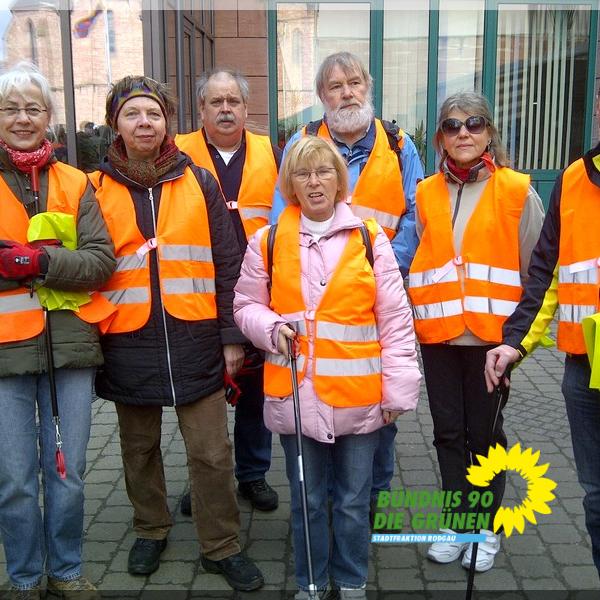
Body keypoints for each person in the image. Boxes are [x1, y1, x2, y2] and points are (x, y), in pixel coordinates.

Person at [91, 75, 264, 591]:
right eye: (132, 114)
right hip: (128, 337)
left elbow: (228, 262)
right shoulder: (93, 187)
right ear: (115, 124)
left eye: (153, 114)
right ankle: (151, 527)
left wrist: (233, 335)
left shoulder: (198, 180)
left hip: (195, 337)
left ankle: (221, 544)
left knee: (211, 452)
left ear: (168, 122)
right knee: (138, 448)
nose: (144, 122)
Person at [235, 136, 421, 599]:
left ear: (340, 180)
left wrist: (398, 393)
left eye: (324, 172)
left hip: (360, 398)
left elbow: (394, 321)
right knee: (308, 500)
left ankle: (352, 580)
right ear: (290, 184)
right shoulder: (268, 240)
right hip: (296, 398)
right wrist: (269, 326)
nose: (314, 182)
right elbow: (245, 306)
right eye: (303, 173)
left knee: (355, 502)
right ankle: (312, 583)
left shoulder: (369, 238)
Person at [271, 51, 424, 515]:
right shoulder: (301, 142)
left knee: (379, 406)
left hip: (380, 299)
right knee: (316, 396)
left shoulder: (400, 145)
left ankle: (370, 503)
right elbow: (283, 224)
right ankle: (327, 503)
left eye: (354, 83)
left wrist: (380, 271)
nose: (347, 92)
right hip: (315, 302)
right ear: (322, 96)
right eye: (335, 86)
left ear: (368, 87)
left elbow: (416, 217)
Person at [408, 91, 544, 572]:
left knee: (484, 436)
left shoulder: (516, 190)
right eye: (451, 125)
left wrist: (517, 342)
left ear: (489, 132)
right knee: (447, 432)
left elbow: (538, 276)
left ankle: (484, 528)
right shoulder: (425, 192)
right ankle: (456, 521)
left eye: (474, 123)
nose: (463, 132)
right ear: (441, 137)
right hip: (440, 338)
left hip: (492, 343)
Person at [0, 63, 115, 599]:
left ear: (50, 117)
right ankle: (24, 578)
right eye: (10, 108)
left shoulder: (75, 183)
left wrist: (39, 264)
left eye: (33, 108)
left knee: (66, 472)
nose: (22, 118)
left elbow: (101, 262)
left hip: (68, 349)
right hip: (4, 354)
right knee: (17, 482)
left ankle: (66, 571)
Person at [485, 108, 600, 578]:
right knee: (595, 500)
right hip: (583, 369)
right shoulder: (575, 178)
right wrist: (516, 343)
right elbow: (547, 272)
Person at [175, 68, 281, 512]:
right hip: (199, 291)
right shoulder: (177, 153)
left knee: (257, 389)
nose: (224, 109)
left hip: (260, 291)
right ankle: (206, 478)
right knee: (204, 394)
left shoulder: (270, 152)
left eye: (232, 101)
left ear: (245, 107)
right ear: (201, 109)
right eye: (215, 102)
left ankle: (252, 474)